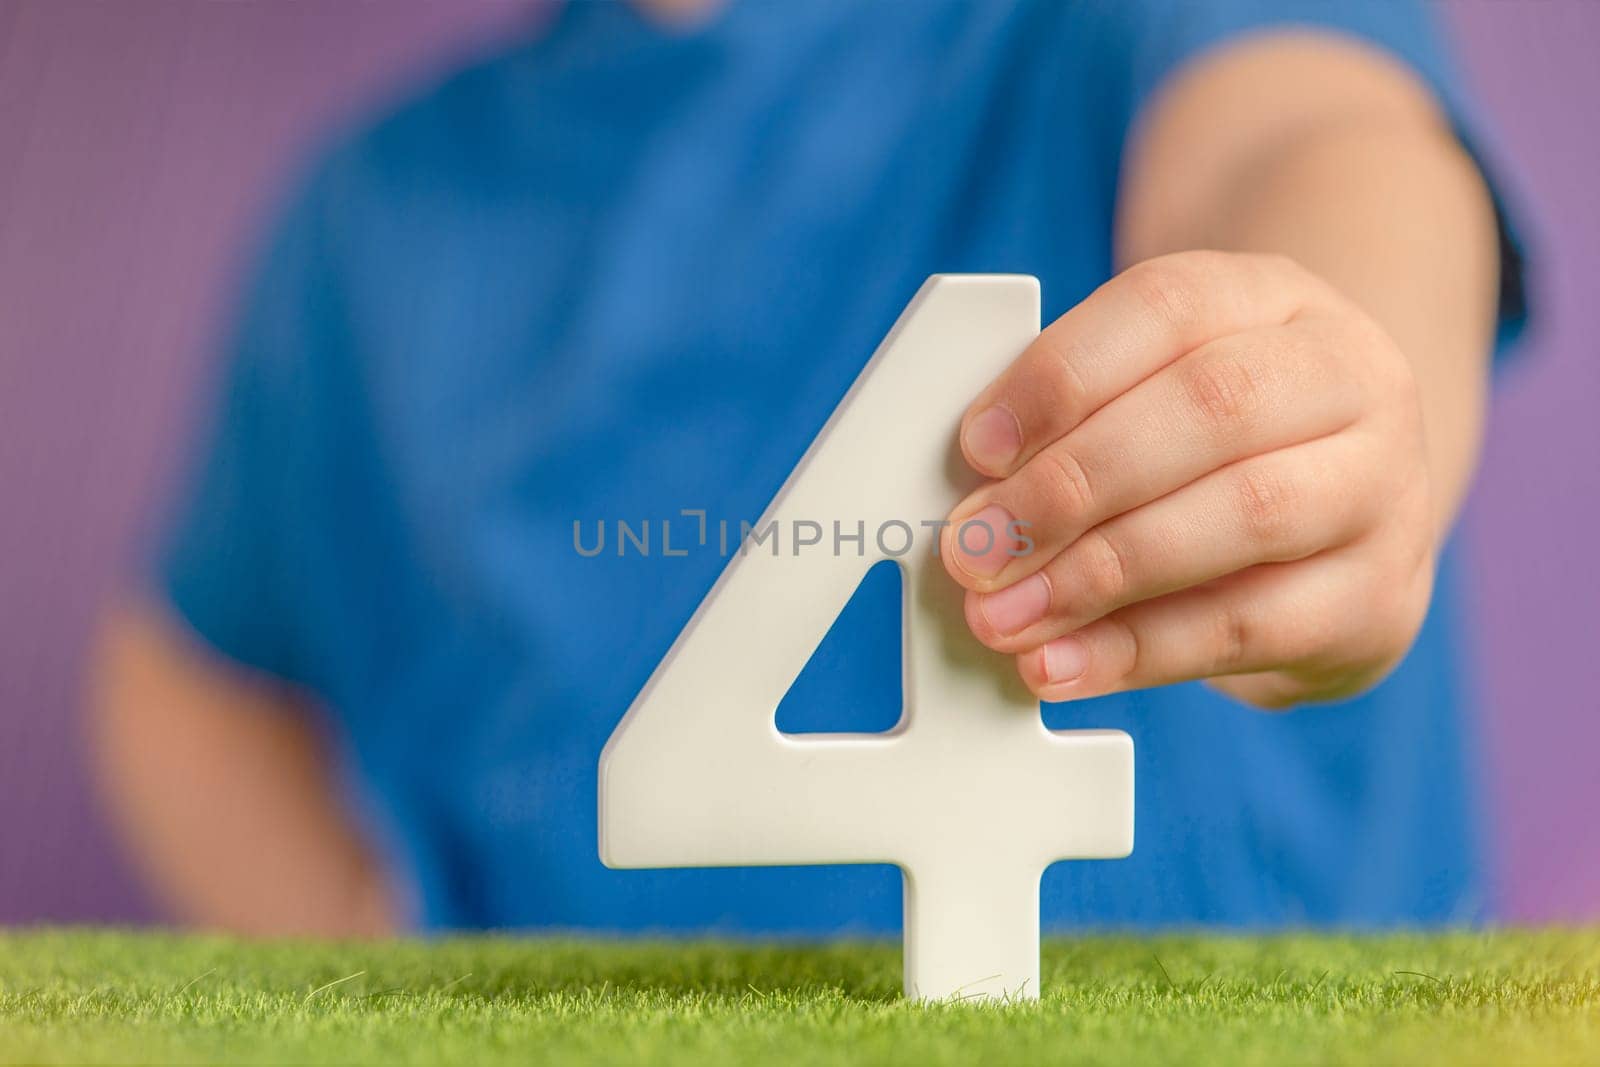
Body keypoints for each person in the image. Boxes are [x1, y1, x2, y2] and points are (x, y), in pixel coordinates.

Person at [90, 0, 1528, 936]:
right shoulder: (373, 222)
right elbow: (184, 676)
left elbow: (1308, 135)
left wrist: (1333, 373)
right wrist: (367, 951)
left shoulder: (1134, 26)